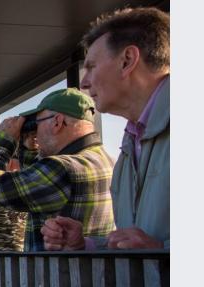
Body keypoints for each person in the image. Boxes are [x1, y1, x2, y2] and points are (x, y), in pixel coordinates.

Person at [42, 7, 170, 251]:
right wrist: (86, 244)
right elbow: (139, 243)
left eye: (91, 66)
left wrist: (162, 252)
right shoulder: (132, 142)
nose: (84, 82)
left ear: (127, 60)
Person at [0, 88, 115, 251]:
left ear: (57, 122)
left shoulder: (61, 168)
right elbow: (35, 182)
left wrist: (2, 140)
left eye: (37, 124)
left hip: (59, 274)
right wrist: (29, 148)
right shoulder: (108, 161)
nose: (36, 133)